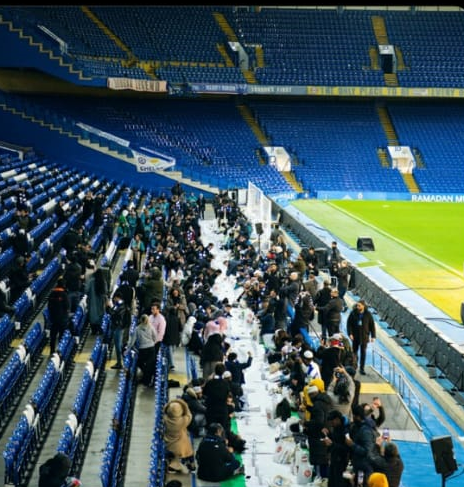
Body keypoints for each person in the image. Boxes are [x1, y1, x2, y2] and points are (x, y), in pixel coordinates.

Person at [163, 398, 195, 474]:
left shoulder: (165, 419)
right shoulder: (182, 421)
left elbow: (164, 409)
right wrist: (184, 404)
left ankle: (179, 464)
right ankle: (190, 465)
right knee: (188, 451)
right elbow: (189, 414)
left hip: (169, 442)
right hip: (179, 444)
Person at [346, 300, 376, 375]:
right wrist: (350, 334)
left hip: (364, 337)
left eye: (359, 305)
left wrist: (373, 336)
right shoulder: (353, 313)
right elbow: (349, 324)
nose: (357, 307)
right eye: (357, 305)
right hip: (355, 336)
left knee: (363, 353)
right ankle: (354, 366)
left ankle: (362, 368)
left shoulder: (368, 314)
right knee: (354, 352)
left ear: (363, 306)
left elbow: (372, 325)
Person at [127, 314, 157, 387]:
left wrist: (128, 348)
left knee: (141, 364)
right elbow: (155, 337)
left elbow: (132, 341)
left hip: (142, 350)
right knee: (150, 365)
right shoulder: (151, 327)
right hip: (151, 349)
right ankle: (147, 381)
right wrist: (151, 342)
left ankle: (144, 378)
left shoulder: (137, 329)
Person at [106, 290, 129, 369]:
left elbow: (113, 313)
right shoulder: (120, 305)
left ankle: (120, 362)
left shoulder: (121, 306)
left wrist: (109, 306)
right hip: (117, 327)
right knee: (117, 345)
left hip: (118, 327)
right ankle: (119, 362)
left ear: (117, 298)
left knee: (118, 345)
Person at [47, 277, 70, 354]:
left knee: (53, 335)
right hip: (62, 319)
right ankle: (60, 351)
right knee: (61, 335)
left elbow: (49, 306)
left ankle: (52, 350)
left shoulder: (52, 293)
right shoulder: (64, 294)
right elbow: (67, 306)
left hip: (53, 319)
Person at [85, 267, 109, 335]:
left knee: (92, 315)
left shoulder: (91, 281)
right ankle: (99, 328)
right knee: (100, 314)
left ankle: (94, 330)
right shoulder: (103, 281)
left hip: (92, 301)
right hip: (101, 301)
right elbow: (106, 291)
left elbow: (86, 290)